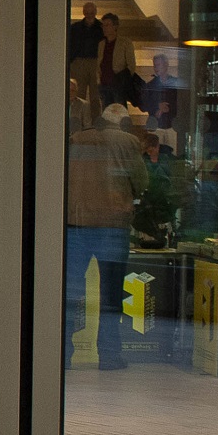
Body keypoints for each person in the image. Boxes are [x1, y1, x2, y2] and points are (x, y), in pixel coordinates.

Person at [65, 103, 149, 370]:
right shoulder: (128, 142)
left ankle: (62, 353)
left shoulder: (76, 139)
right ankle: (110, 355)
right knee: (111, 294)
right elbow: (141, 181)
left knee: (71, 291)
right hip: (112, 225)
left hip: (76, 223)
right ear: (122, 123)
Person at [93, 12, 139, 109]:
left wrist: (122, 80)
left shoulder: (125, 43)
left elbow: (131, 65)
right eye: (103, 25)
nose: (104, 28)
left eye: (107, 25)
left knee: (120, 112)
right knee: (106, 112)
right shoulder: (101, 44)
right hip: (104, 83)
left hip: (118, 84)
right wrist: (99, 80)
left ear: (115, 26)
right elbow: (99, 63)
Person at [139, 54, 184, 131]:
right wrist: (157, 106)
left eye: (158, 65)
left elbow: (182, 103)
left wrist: (167, 108)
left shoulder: (176, 84)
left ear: (166, 65)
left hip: (173, 127)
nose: (156, 68)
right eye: (155, 65)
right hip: (154, 127)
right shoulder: (149, 86)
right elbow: (143, 106)